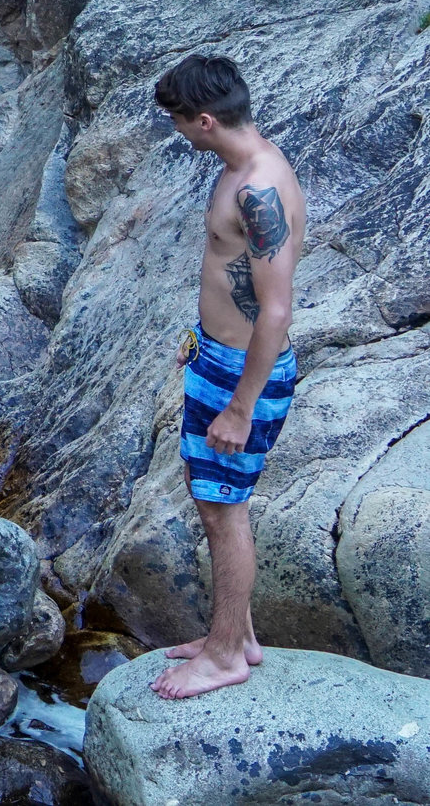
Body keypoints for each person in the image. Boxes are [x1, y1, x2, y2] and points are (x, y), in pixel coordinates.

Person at [147, 54, 304, 700]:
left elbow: (276, 308)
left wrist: (240, 406)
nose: (180, 132)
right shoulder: (246, 165)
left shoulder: (257, 188)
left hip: (244, 374)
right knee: (212, 498)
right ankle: (234, 634)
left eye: (181, 121)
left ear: (205, 119)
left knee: (222, 509)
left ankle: (223, 657)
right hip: (219, 359)